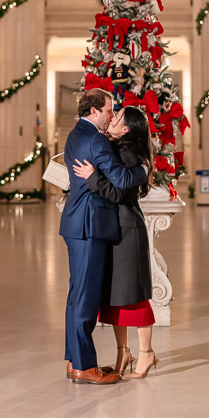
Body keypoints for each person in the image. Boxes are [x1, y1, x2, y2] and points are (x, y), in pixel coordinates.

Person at [59, 88, 147, 386]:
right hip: (90, 225)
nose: (112, 114)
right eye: (110, 109)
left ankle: (74, 361)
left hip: (77, 223)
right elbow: (121, 180)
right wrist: (144, 170)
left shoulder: (74, 135)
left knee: (76, 297)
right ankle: (84, 366)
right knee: (85, 300)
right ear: (95, 110)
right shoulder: (96, 139)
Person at [74, 105, 159, 379]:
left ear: (127, 129)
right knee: (114, 297)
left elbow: (119, 194)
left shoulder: (132, 155)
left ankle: (146, 354)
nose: (113, 117)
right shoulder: (110, 147)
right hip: (110, 229)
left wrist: (92, 178)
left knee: (134, 296)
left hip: (127, 231)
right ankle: (123, 352)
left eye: (118, 117)